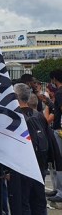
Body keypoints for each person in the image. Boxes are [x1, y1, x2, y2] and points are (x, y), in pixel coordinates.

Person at [14, 83, 62, 215]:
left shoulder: (15, 118)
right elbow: (50, 142)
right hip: (39, 167)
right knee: (39, 203)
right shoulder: (38, 116)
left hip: (22, 168)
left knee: (23, 205)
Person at [48, 69, 62, 203]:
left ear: (54, 79)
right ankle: (58, 189)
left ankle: (60, 191)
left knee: (59, 160)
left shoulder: (59, 93)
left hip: (59, 130)